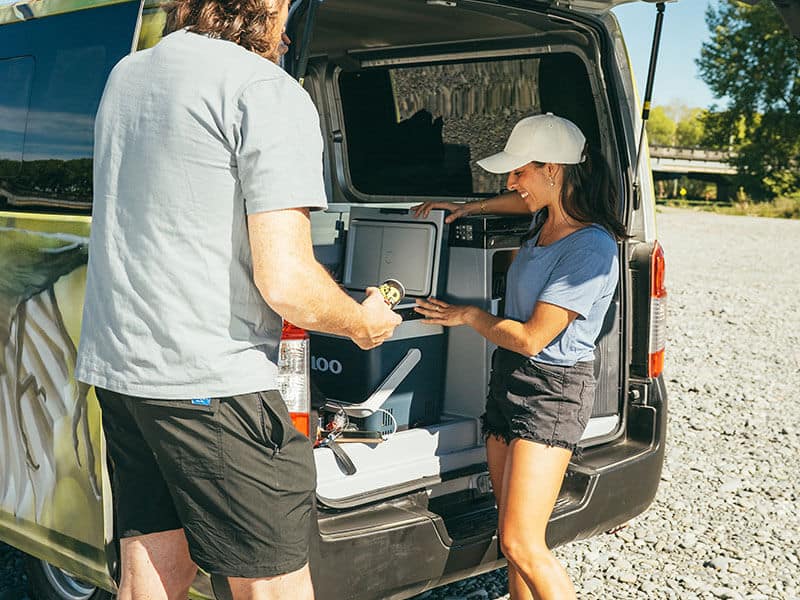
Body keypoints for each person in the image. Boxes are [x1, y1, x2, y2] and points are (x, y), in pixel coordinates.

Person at [74, 0, 402, 598]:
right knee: (272, 588)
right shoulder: (263, 88)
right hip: (210, 383)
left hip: (122, 376)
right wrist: (361, 321)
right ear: (273, 10)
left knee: (152, 573)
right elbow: (287, 283)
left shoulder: (128, 75)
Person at [412, 113, 625, 600]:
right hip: (509, 379)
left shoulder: (591, 248)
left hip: (551, 391)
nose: (511, 182)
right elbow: (514, 200)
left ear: (553, 170)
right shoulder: (542, 220)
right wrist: (467, 207)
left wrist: (467, 316)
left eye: (519, 171)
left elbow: (532, 338)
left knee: (524, 542)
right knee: (512, 545)